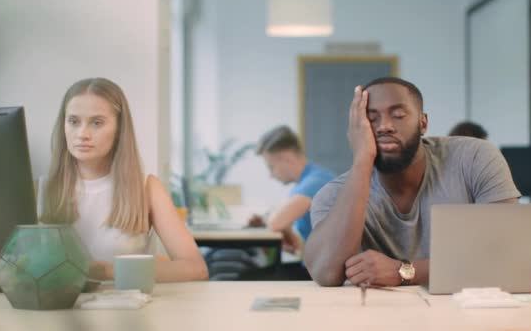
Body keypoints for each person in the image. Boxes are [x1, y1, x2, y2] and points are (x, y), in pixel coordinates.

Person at [304, 77, 520, 287]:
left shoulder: (474, 158)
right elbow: (326, 274)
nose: (384, 127)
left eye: (398, 115)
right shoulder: (333, 196)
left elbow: (508, 254)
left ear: (423, 122)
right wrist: (362, 159)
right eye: (371, 119)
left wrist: (404, 271)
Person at [38, 78, 208, 282]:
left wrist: (108, 272)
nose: (82, 134)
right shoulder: (41, 188)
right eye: (74, 121)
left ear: (119, 129)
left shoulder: (147, 187)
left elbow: (196, 268)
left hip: (126, 310)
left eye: (97, 123)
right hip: (59, 310)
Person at [248, 126, 334, 279]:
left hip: (323, 274)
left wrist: (282, 226)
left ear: (287, 158)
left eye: (271, 167)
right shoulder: (308, 181)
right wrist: (287, 232)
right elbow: (288, 230)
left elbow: (277, 222)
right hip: (316, 267)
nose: (271, 175)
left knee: (247, 278)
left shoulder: (315, 181)